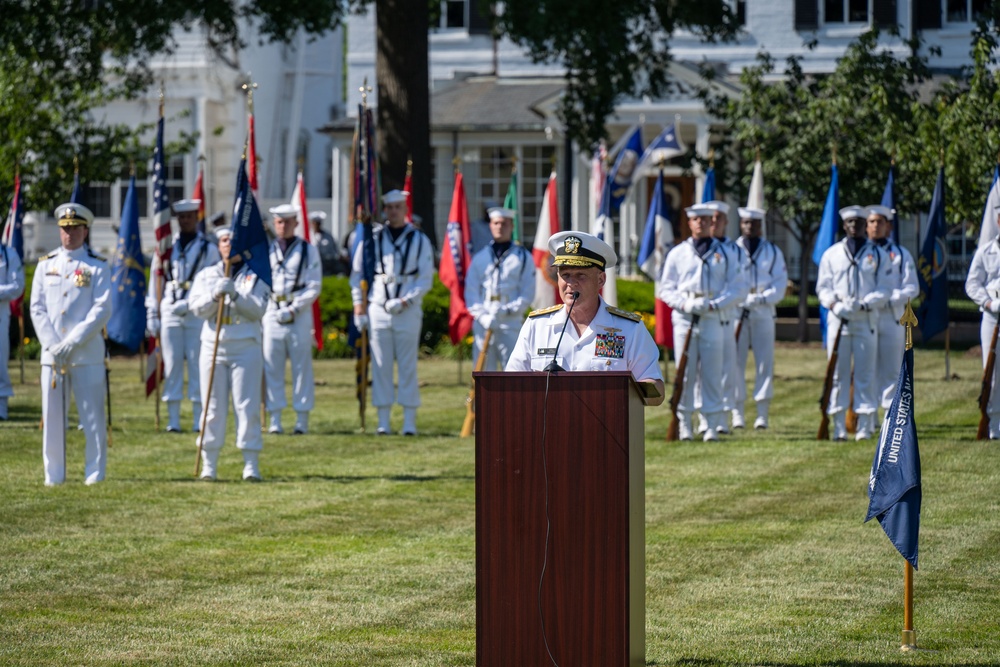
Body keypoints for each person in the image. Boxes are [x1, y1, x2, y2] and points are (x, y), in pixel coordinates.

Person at [506, 231, 664, 404]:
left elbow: (656, 391)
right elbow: (511, 383)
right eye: (565, 275)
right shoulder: (537, 326)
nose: (571, 283)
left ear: (601, 280)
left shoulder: (629, 329)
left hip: (608, 426)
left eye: (581, 275)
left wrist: (617, 394)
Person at [29, 203, 111, 485]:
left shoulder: (97, 266)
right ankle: (54, 474)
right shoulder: (45, 265)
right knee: (52, 418)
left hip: (85, 354)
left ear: (85, 230)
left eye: (75, 228)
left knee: (92, 416)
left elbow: (101, 309)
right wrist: (53, 344)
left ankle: (94, 472)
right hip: (53, 356)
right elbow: (37, 308)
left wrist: (72, 341)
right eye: (65, 228)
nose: (70, 234)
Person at [188, 226, 271, 481]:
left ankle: (250, 463)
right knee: (212, 407)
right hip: (214, 343)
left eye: (232, 240)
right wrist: (215, 296)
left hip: (245, 344)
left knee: (246, 406)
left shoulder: (256, 275)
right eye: (224, 240)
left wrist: (235, 296)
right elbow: (196, 309)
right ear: (219, 245)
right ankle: (209, 464)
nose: (228, 244)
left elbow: (258, 310)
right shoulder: (206, 275)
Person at [350, 189, 434, 435]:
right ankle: (383, 420)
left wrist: (406, 300)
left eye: (398, 207)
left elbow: (425, 278)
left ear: (405, 209)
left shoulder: (419, 239)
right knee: (380, 365)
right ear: (384, 210)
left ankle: (409, 421)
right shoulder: (372, 238)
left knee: (407, 365)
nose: (394, 211)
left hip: (406, 309)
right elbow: (357, 275)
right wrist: (359, 308)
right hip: (378, 307)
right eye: (390, 208)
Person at [657, 204, 745, 440]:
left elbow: (738, 288)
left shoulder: (726, 252)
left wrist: (716, 304)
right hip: (685, 318)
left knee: (712, 372)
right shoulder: (678, 253)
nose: (702, 224)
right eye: (696, 220)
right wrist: (684, 303)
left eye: (706, 220)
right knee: (685, 373)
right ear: (689, 223)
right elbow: (665, 288)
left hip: (712, 316)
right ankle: (684, 422)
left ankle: (710, 423)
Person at [816, 205, 891, 441]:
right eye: (850, 222)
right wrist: (835, 305)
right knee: (837, 375)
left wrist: (865, 303)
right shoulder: (832, 254)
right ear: (844, 225)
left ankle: (865, 423)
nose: (855, 226)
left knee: (865, 373)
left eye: (859, 222)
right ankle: (838, 424)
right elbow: (822, 288)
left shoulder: (877, 254)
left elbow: (885, 288)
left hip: (865, 318)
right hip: (839, 321)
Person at [146, 198, 221, 432]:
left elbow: (213, 280)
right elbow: (155, 279)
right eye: (182, 217)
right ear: (177, 219)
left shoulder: (208, 248)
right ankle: (173, 420)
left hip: (196, 311)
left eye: (190, 216)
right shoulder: (166, 247)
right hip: (170, 308)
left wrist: (190, 304)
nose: (186, 221)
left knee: (199, 364)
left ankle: (200, 417)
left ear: (196, 217)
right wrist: (152, 312)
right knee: (172, 364)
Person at [264, 204, 322, 435]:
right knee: (272, 366)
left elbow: (314, 285)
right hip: (272, 311)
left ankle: (302, 418)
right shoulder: (267, 250)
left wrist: (295, 308)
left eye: (288, 221)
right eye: (279, 221)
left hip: (298, 313)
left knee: (301, 367)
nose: (283, 226)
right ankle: (275, 417)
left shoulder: (308, 250)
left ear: (296, 223)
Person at [733, 207, 788, 429]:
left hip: (763, 312)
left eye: (754, 223)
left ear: (761, 226)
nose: (749, 226)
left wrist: (761, 298)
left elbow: (780, 283)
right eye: (746, 222)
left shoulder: (772, 251)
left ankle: (762, 413)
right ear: (741, 224)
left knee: (764, 362)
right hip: (737, 312)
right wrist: (740, 297)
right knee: (735, 363)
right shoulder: (732, 250)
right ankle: (737, 411)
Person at [465, 207, 536, 369]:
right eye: (496, 223)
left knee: (513, 369)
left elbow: (527, 292)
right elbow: (471, 291)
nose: (500, 227)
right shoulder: (480, 257)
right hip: (484, 321)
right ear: (490, 225)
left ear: (512, 226)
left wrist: (507, 310)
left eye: (504, 224)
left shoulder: (523, 257)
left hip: (510, 321)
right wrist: (482, 315)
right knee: (483, 372)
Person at [866, 205, 919, 414]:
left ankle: (889, 414)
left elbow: (912, 287)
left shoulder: (900, 254)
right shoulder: (862, 253)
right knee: (867, 367)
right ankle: (867, 417)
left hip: (891, 316)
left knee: (891, 368)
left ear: (888, 226)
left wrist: (889, 298)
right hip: (867, 316)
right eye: (872, 222)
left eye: (880, 222)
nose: (876, 226)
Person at [702, 200, 747, 432]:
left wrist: (718, 303)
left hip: (727, 316)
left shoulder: (734, 250)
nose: (713, 222)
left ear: (725, 222)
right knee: (702, 370)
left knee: (727, 369)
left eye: (718, 218)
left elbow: (740, 285)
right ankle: (705, 418)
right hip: (702, 318)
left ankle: (725, 416)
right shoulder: (696, 248)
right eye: (710, 217)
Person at [965, 215, 1000, 438]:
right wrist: (988, 302)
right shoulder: (986, 251)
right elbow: (972, 283)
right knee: (993, 372)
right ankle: (994, 424)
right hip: (992, 316)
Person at [0, 240, 25, 420]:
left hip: (1, 315)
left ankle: (1, 408)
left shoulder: (9, 254)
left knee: (0, 363)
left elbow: (17, 286)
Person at [310, 210, 345, 276]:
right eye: (314, 223)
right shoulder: (308, 236)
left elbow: (335, 251)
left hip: (327, 263)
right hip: (312, 263)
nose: (316, 225)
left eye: (318, 223)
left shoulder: (328, 236)